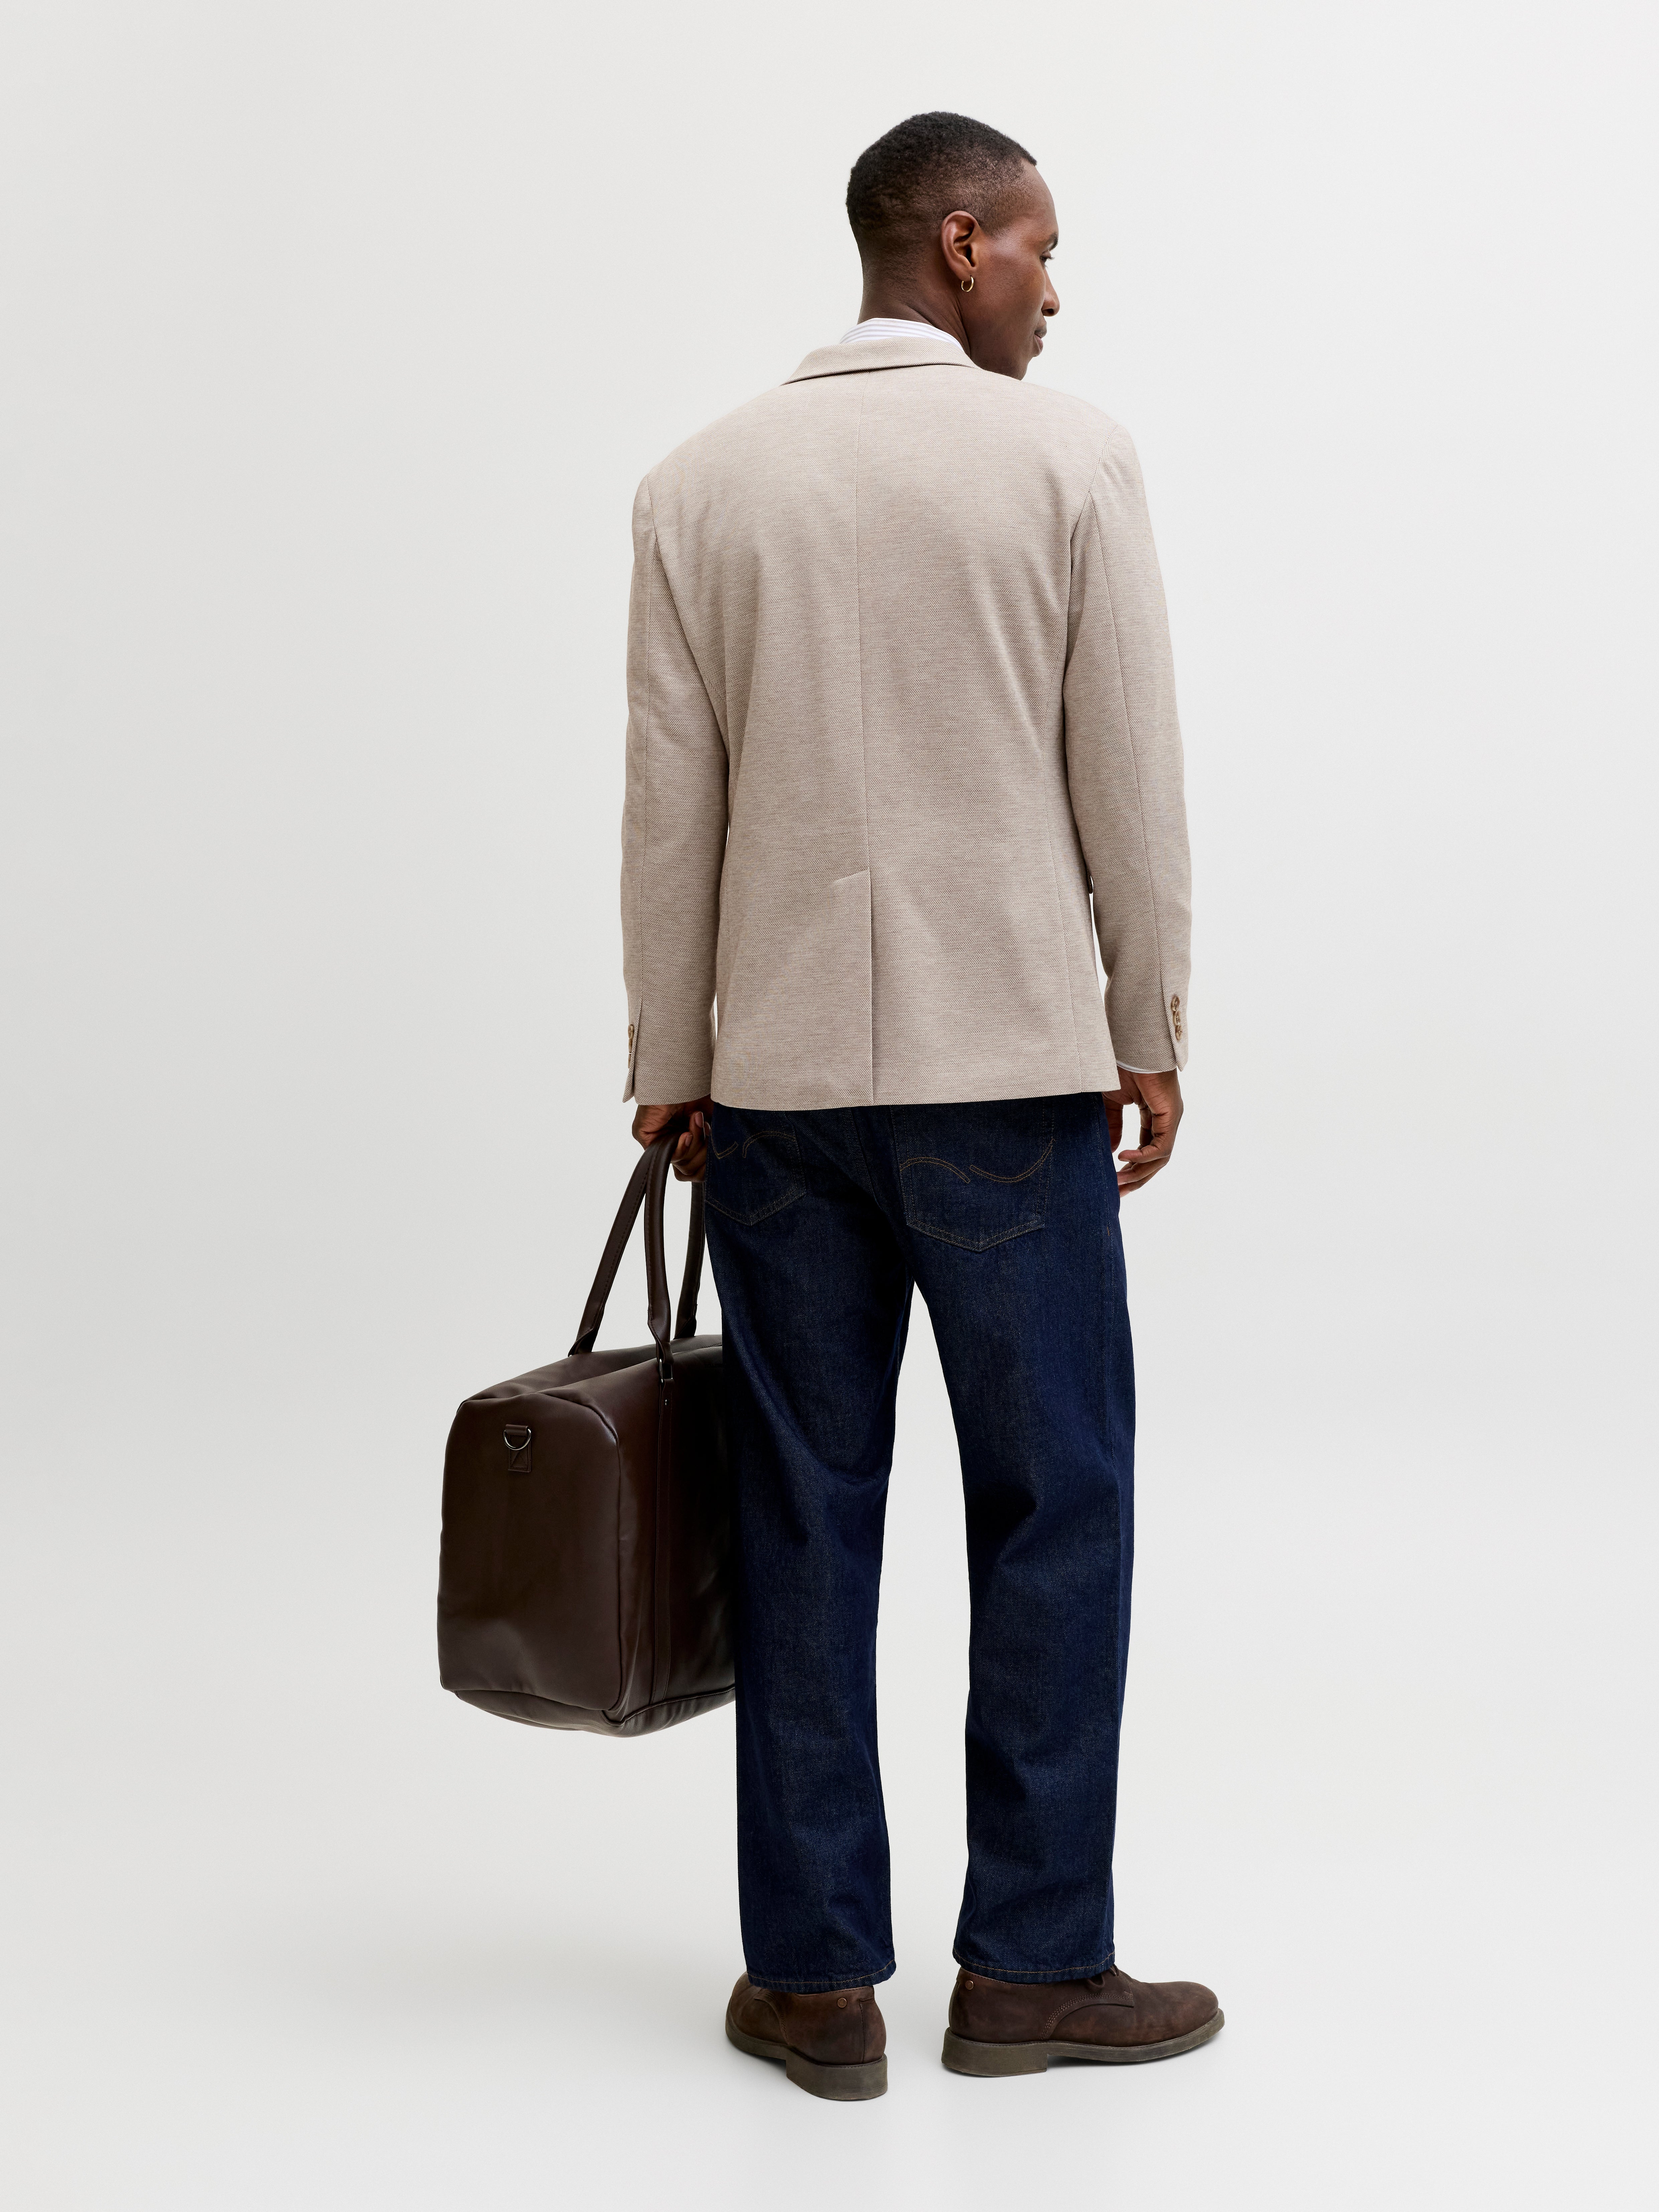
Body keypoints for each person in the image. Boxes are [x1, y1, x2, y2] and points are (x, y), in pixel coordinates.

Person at [621, 110, 1218, 2101]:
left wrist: (673, 1065)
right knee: (1056, 1502)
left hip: (779, 1090)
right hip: (1006, 1076)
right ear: (957, 245)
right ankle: (1032, 1967)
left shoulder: (701, 485)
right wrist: (1146, 1021)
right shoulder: (1066, 461)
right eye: (1038, 246)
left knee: (799, 1513)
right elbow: (1124, 771)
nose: (1055, 286)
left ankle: (813, 1986)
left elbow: (670, 809)